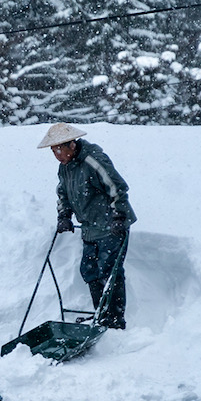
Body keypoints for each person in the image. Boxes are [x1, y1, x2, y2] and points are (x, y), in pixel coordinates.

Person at [38, 122, 136, 328]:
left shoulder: (93, 160)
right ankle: (101, 314)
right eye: (52, 150)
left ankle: (115, 319)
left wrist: (119, 216)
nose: (56, 155)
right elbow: (63, 193)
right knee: (89, 270)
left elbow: (117, 187)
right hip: (90, 227)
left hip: (111, 225)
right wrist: (64, 215)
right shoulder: (64, 168)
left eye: (58, 149)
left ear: (71, 145)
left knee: (110, 271)